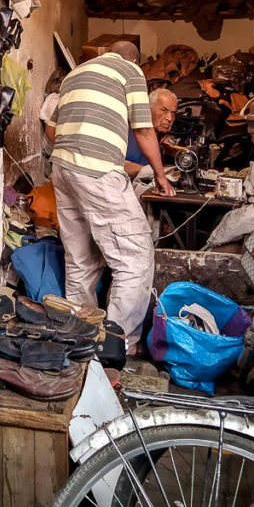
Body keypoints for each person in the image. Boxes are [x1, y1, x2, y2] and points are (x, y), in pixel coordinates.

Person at [45, 41, 175, 347]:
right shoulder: (130, 71)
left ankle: (80, 340)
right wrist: (160, 176)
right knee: (135, 259)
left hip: (63, 169)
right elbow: (144, 130)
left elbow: (52, 128)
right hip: (98, 170)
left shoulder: (76, 74)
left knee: (81, 261)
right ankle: (118, 345)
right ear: (134, 60)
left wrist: (75, 153)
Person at [124, 87, 179, 178]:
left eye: (173, 113)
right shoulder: (134, 136)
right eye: (164, 110)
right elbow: (123, 166)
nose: (169, 118)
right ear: (148, 109)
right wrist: (158, 173)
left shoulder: (157, 140)